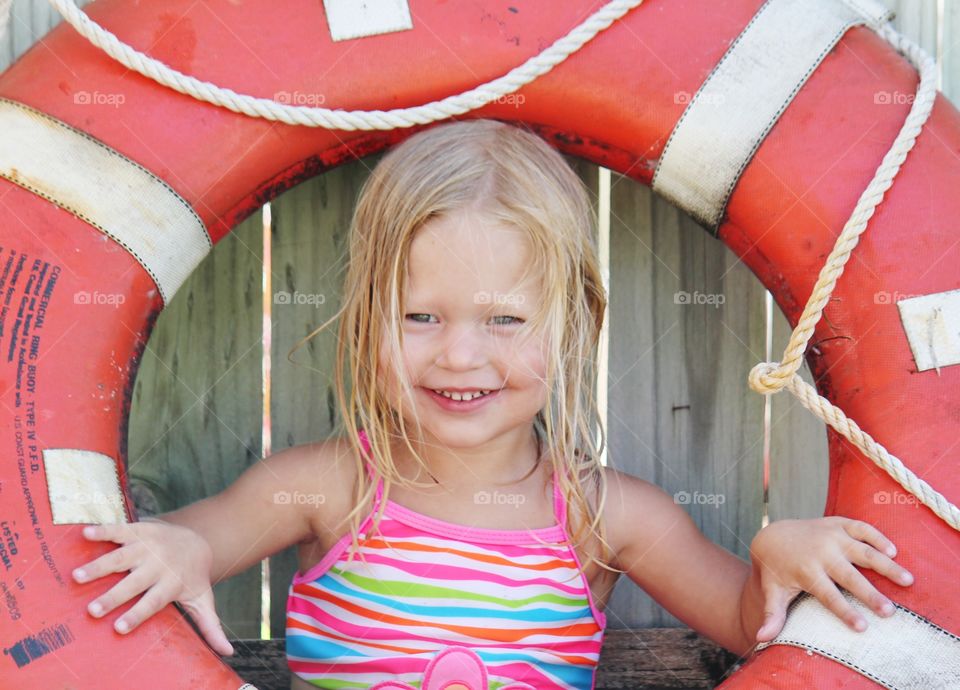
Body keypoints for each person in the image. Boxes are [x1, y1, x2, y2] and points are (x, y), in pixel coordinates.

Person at [71, 119, 914, 689]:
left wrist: (777, 554)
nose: (459, 355)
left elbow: (749, 625)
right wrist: (172, 546)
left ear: (574, 323)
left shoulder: (608, 516)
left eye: (504, 320)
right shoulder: (325, 488)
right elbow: (197, 541)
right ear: (367, 320)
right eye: (419, 316)